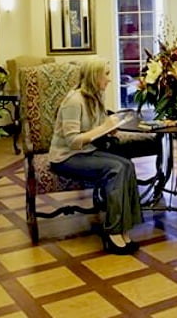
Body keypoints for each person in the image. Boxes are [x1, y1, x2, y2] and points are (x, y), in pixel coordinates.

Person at [49, 58, 142, 255]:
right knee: (116, 169)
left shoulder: (95, 96)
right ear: (94, 76)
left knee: (127, 165)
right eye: (106, 74)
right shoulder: (74, 101)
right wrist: (103, 128)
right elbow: (72, 141)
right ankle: (113, 232)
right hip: (66, 157)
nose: (109, 79)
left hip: (85, 152)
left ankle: (125, 227)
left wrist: (109, 129)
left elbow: (95, 130)